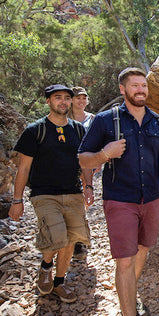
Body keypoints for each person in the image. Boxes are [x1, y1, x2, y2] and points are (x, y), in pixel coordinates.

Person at [78, 67, 159, 316]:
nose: (141, 90)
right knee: (125, 259)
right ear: (123, 90)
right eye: (134, 85)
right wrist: (105, 153)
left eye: (143, 85)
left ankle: (128, 298)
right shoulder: (107, 121)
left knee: (144, 248)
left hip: (152, 200)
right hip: (120, 199)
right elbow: (83, 158)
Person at [9, 84, 94, 303]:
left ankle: (58, 282)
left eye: (67, 98)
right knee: (57, 235)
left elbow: (84, 162)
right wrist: (16, 200)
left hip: (73, 192)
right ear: (48, 101)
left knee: (71, 239)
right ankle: (47, 265)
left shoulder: (78, 130)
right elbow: (24, 168)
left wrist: (89, 187)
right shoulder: (34, 131)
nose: (63, 102)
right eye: (58, 98)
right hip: (44, 194)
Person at [69, 86, 95, 261]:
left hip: (86, 166)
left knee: (80, 203)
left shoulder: (93, 119)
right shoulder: (63, 119)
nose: (81, 101)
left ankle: (80, 243)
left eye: (84, 98)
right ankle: (76, 241)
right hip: (67, 166)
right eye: (78, 98)